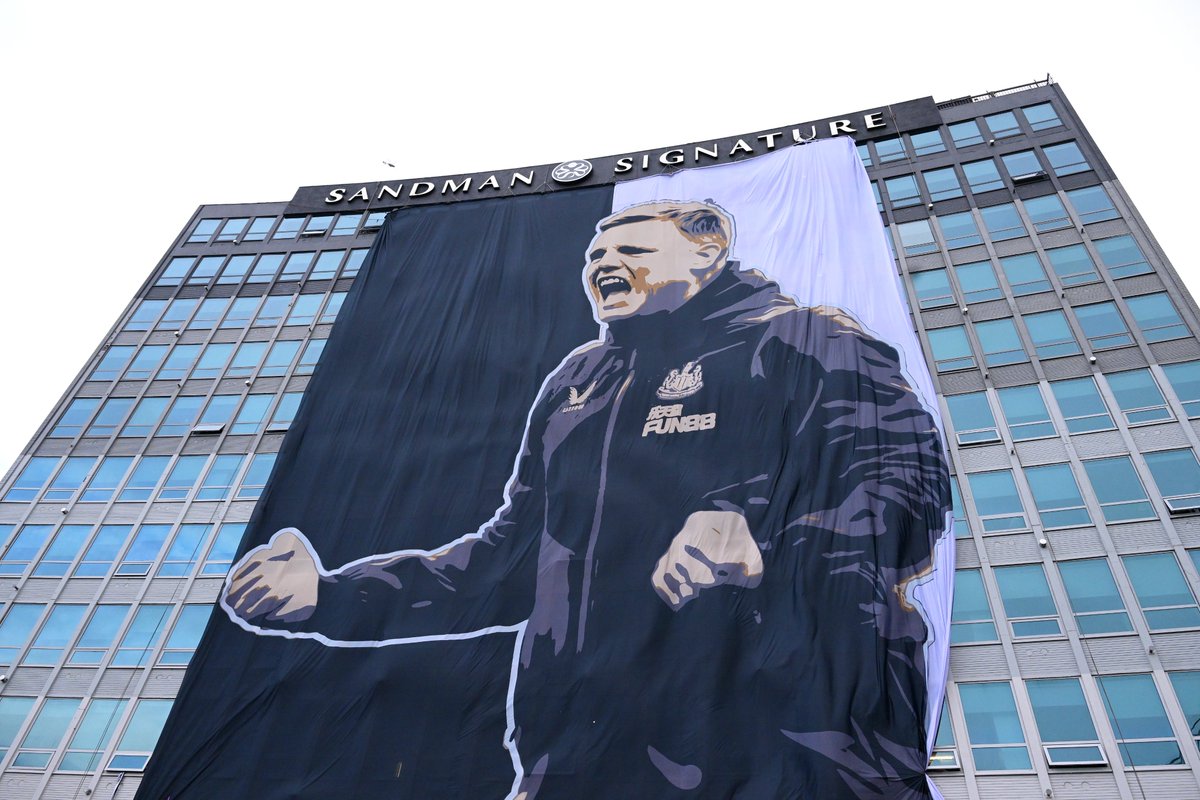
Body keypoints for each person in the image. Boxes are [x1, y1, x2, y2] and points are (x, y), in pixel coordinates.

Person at [224, 200, 950, 799]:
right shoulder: (579, 382)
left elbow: (906, 490)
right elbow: (504, 563)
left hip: (790, 750)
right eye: (595, 257)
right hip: (581, 762)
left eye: (633, 248)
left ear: (707, 252)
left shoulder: (807, 342)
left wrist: (766, 552)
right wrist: (327, 595)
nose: (604, 263)